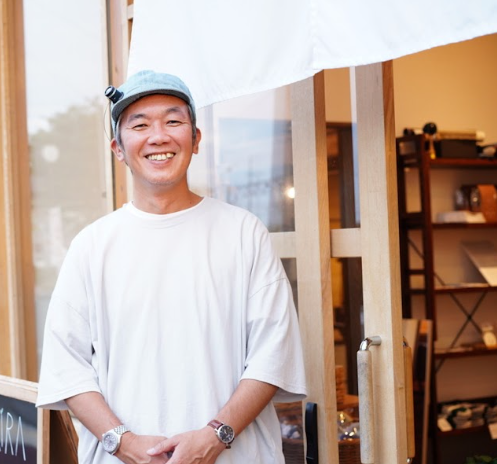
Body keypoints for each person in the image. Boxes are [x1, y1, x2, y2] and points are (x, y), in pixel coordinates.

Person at [36, 70, 307, 464]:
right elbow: (67, 367)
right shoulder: (92, 247)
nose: (158, 136)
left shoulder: (243, 233)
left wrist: (216, 436)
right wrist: (123, 443)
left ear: (196, 139)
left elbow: (273, 353)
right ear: (117, 148)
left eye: (173, 121)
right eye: (140, 125)